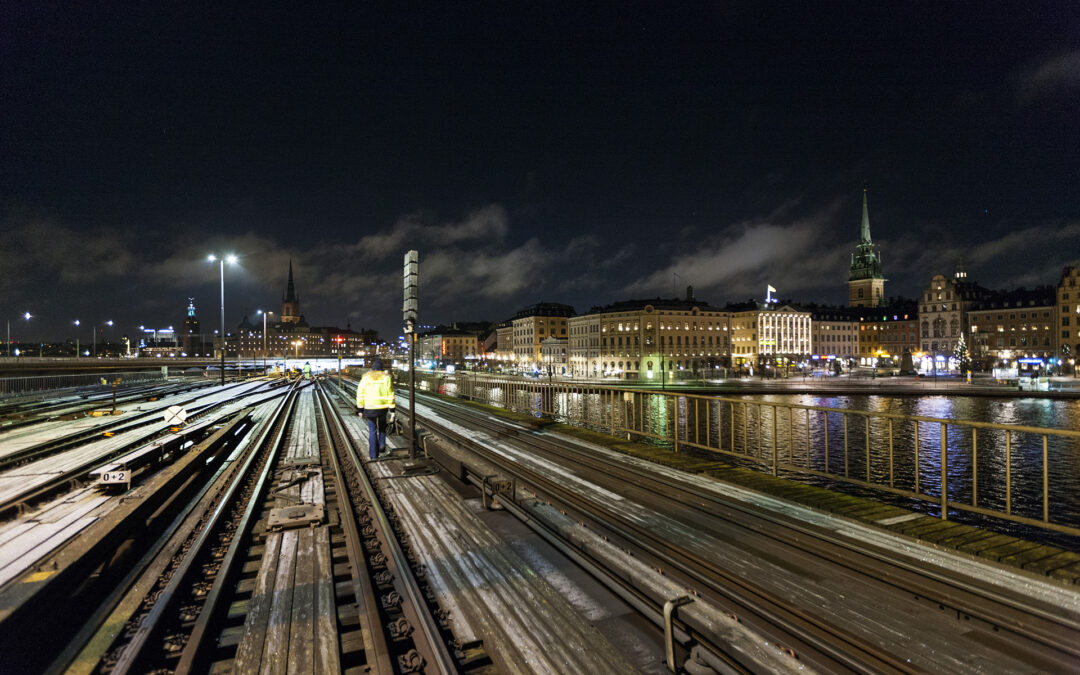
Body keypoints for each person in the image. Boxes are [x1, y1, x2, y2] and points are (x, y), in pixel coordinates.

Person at [356, 359, 395, 460]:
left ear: (372, 369)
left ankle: (373, 456)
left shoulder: (365, 378)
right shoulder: (386, 378)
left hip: (369, 409)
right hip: (382, 408)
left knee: (372, 431)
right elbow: (390, 394)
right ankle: (382, 445)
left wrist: (360, 409)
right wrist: (392, 410)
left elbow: (360, 394)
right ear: (382, 369)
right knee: (382, 428)